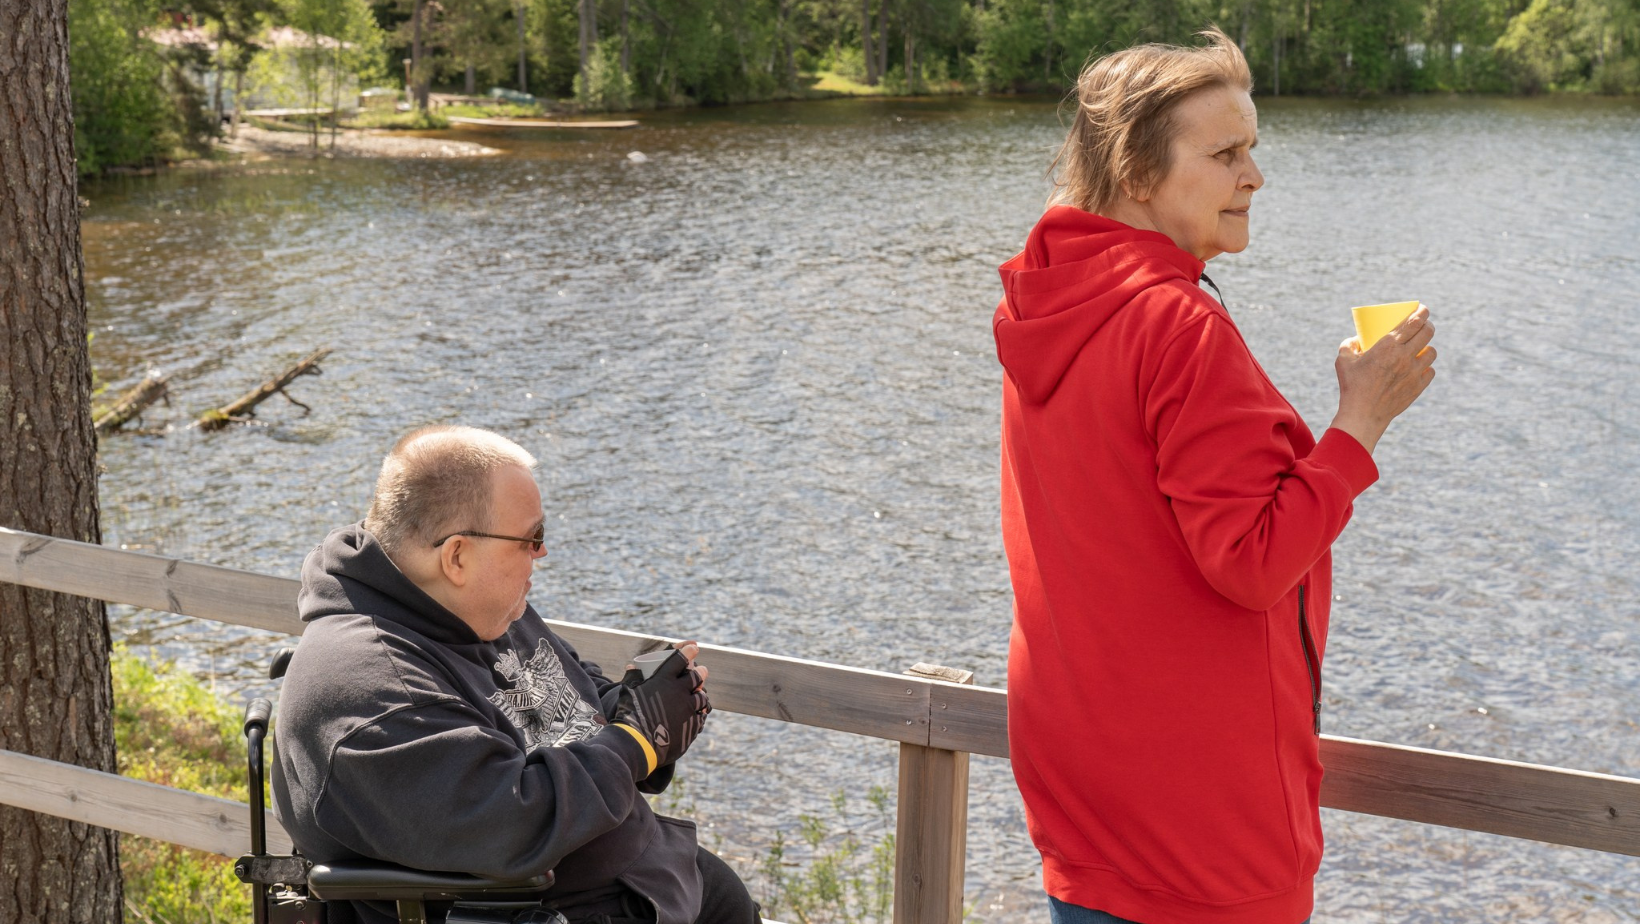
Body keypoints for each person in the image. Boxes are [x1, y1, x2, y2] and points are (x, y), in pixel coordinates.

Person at [991, 30, 1437, 924]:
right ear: (1139, 171)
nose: (1254, 178)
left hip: (1085, 797)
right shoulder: (1176, 326)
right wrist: (1361, 423)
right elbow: (1253, 561)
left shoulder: (1048, 305)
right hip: (1204, 834)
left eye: (1253, 151)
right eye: (1226, 154)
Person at [271, 425, 759, 924]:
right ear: (457, 555)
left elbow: (571, 698)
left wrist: (640, 706)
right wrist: (637, 741)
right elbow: (512, 821)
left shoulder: (473, 604)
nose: (542, 554)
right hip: (548, 907)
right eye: (531, 538)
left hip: (639, 874)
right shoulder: (370, 687)